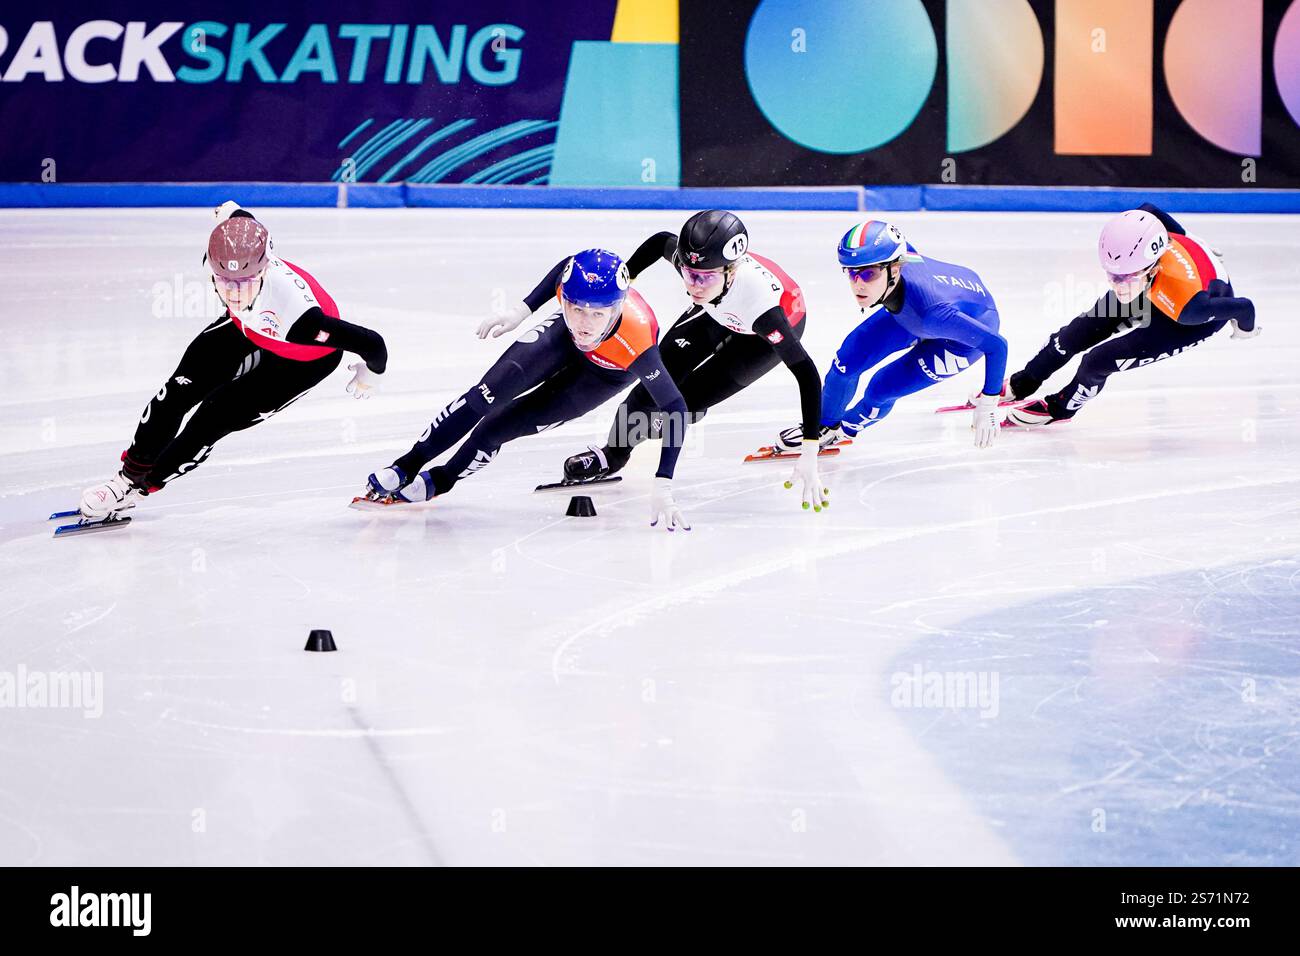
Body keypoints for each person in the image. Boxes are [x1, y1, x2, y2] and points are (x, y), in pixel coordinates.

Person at [78, 202, 387, 520]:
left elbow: (372, 343)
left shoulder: (304, 320)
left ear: (265, 269)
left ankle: (141, 490)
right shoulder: (234, 238)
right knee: (175, 393)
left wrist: (371, 375)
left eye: (245, 283)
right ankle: (124, 482)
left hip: (301, 359)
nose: (233, 292)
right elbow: (236, 213)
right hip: (247, 328)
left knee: (212, 417)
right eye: (223, 282)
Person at [364, 249, 693, 530]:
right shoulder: (571, 299)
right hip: (559, 341)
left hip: (603, 376)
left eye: (597, 314)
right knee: (484, 396)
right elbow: (567, 264)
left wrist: (663, 481)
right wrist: (520, 311)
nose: (585, 323)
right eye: (576, 309)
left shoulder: (637, 344)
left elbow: (675, 406)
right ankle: (405, 465)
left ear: (616, 309)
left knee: (497, 429)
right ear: (565, 300)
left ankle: (442, 479)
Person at [536, 211, 829, 512]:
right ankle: (613, 454)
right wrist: (626, 281)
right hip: (716, 311)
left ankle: (679, 419)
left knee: (686, 402)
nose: (694, 286)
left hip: (761, 337)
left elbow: (806, 373)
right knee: (654, 384)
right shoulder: (698, 264)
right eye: (689, 275)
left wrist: (809, 450)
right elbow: (660, 242)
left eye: (704, 277)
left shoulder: (763, 308)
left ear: (731, 271)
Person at [1004, 204, 1258, 427]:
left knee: (1098, 361)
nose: (1118, 285)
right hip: (1152, 289)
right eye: (1113, 276)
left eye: (1126, 278)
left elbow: (1244, 306)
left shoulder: (1192, 309)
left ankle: (1060, 408)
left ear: (1153, 268)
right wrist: (1195, 240)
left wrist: (1245, 329)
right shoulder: (1141, 256)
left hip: (1186, 318)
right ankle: (1024, 382)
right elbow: (1148, 209)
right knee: (1072, 336)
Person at [774, 220, 1009, 451]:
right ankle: (824, 428)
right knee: (847, 361)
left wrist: (989, 403)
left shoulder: (930, 314)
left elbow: (997, 345)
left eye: (868, 275)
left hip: (963, 335)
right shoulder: (894, 263)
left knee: (881, 389)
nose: (858, 285)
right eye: (851, 273)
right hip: (920, 310)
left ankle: (847, 428)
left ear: (894, 270)